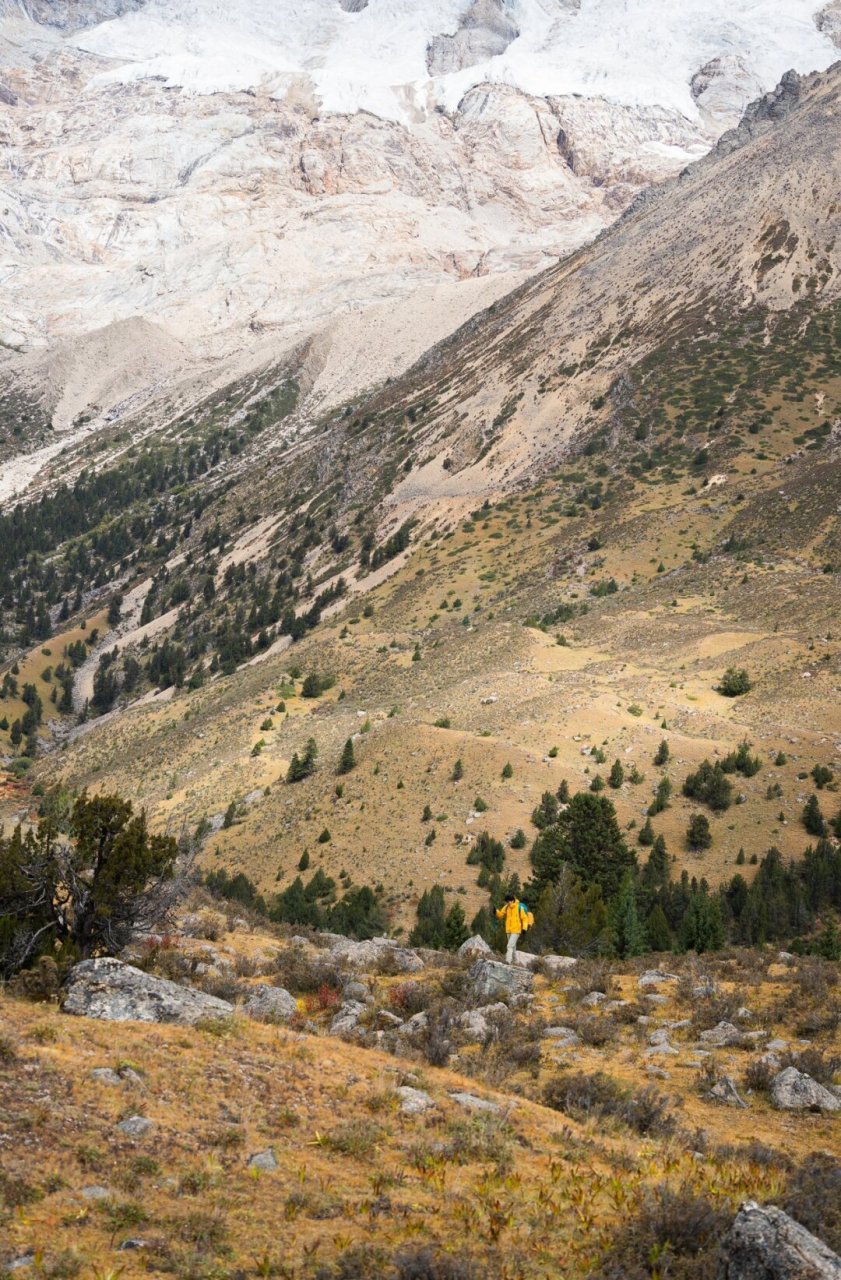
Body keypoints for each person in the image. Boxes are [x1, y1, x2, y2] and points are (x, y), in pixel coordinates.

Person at [496, 893, 529, 964]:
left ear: (513, 900)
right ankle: (516, 961)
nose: (508, 902)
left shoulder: (519, 907)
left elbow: (524, 918)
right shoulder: (506, 907)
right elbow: (501, 915)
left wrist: (524, 928)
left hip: (516, 930)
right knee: (513, 946)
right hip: (509, 930)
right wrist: (496, 912)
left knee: (509, 946)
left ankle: (508, 961)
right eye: (507, 901)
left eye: (509, 901)